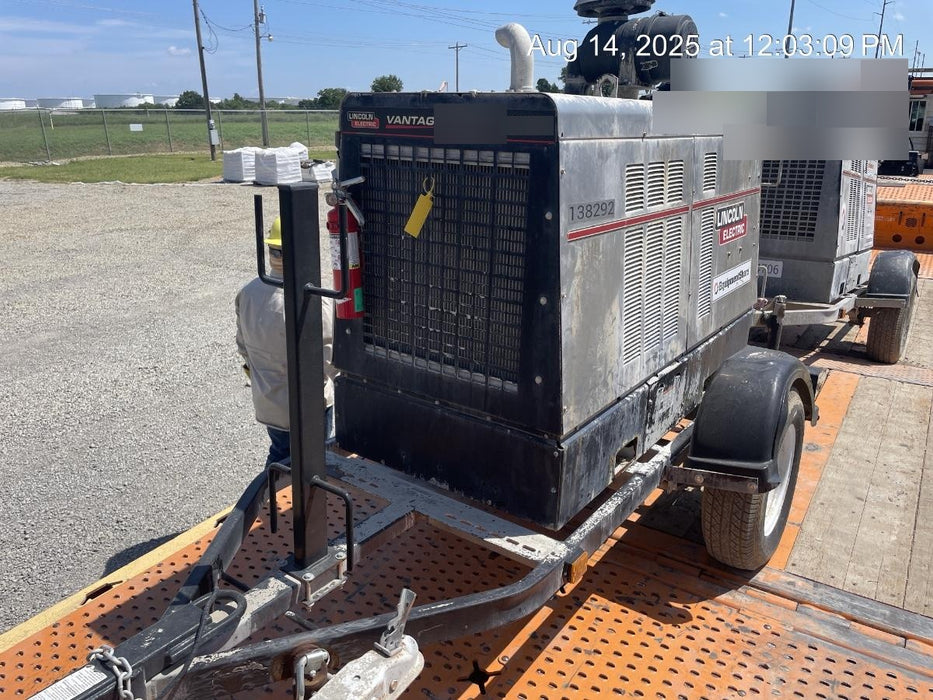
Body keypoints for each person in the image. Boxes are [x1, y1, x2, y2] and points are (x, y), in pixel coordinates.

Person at [236, 216, 335, 466]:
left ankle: (269, 498)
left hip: (269, 400)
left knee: (280, 455)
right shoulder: (313, 300)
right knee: (316, 461)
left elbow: (243, 346)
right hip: (311, 404)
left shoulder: (248, 293)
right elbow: (329, 358)